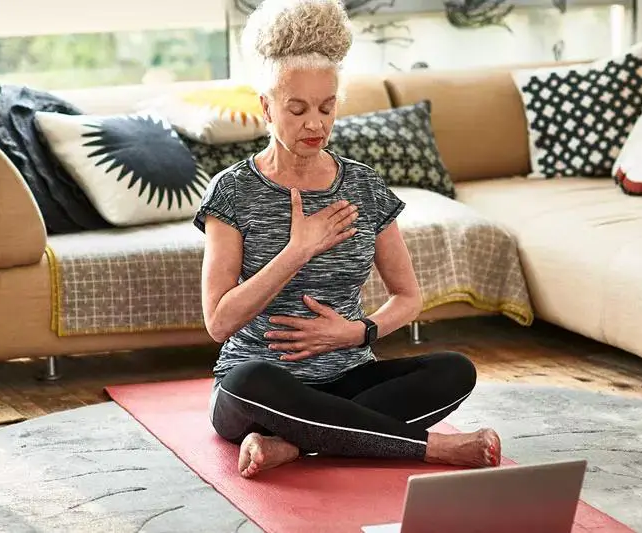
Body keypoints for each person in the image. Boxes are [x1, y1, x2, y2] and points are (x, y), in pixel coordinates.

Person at [194, 0, 501, 479]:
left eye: (327, 106)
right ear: (266, 107)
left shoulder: (363, 186)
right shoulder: (233, 191)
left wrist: (358, 332)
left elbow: (408, 297)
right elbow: (218, 322)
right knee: (247, 381)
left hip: (349, 379)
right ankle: (431, 448)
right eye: (296, 109)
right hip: (261, 389)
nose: (315, 124)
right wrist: (297, 250)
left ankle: (294, 445)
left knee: (455, 370)